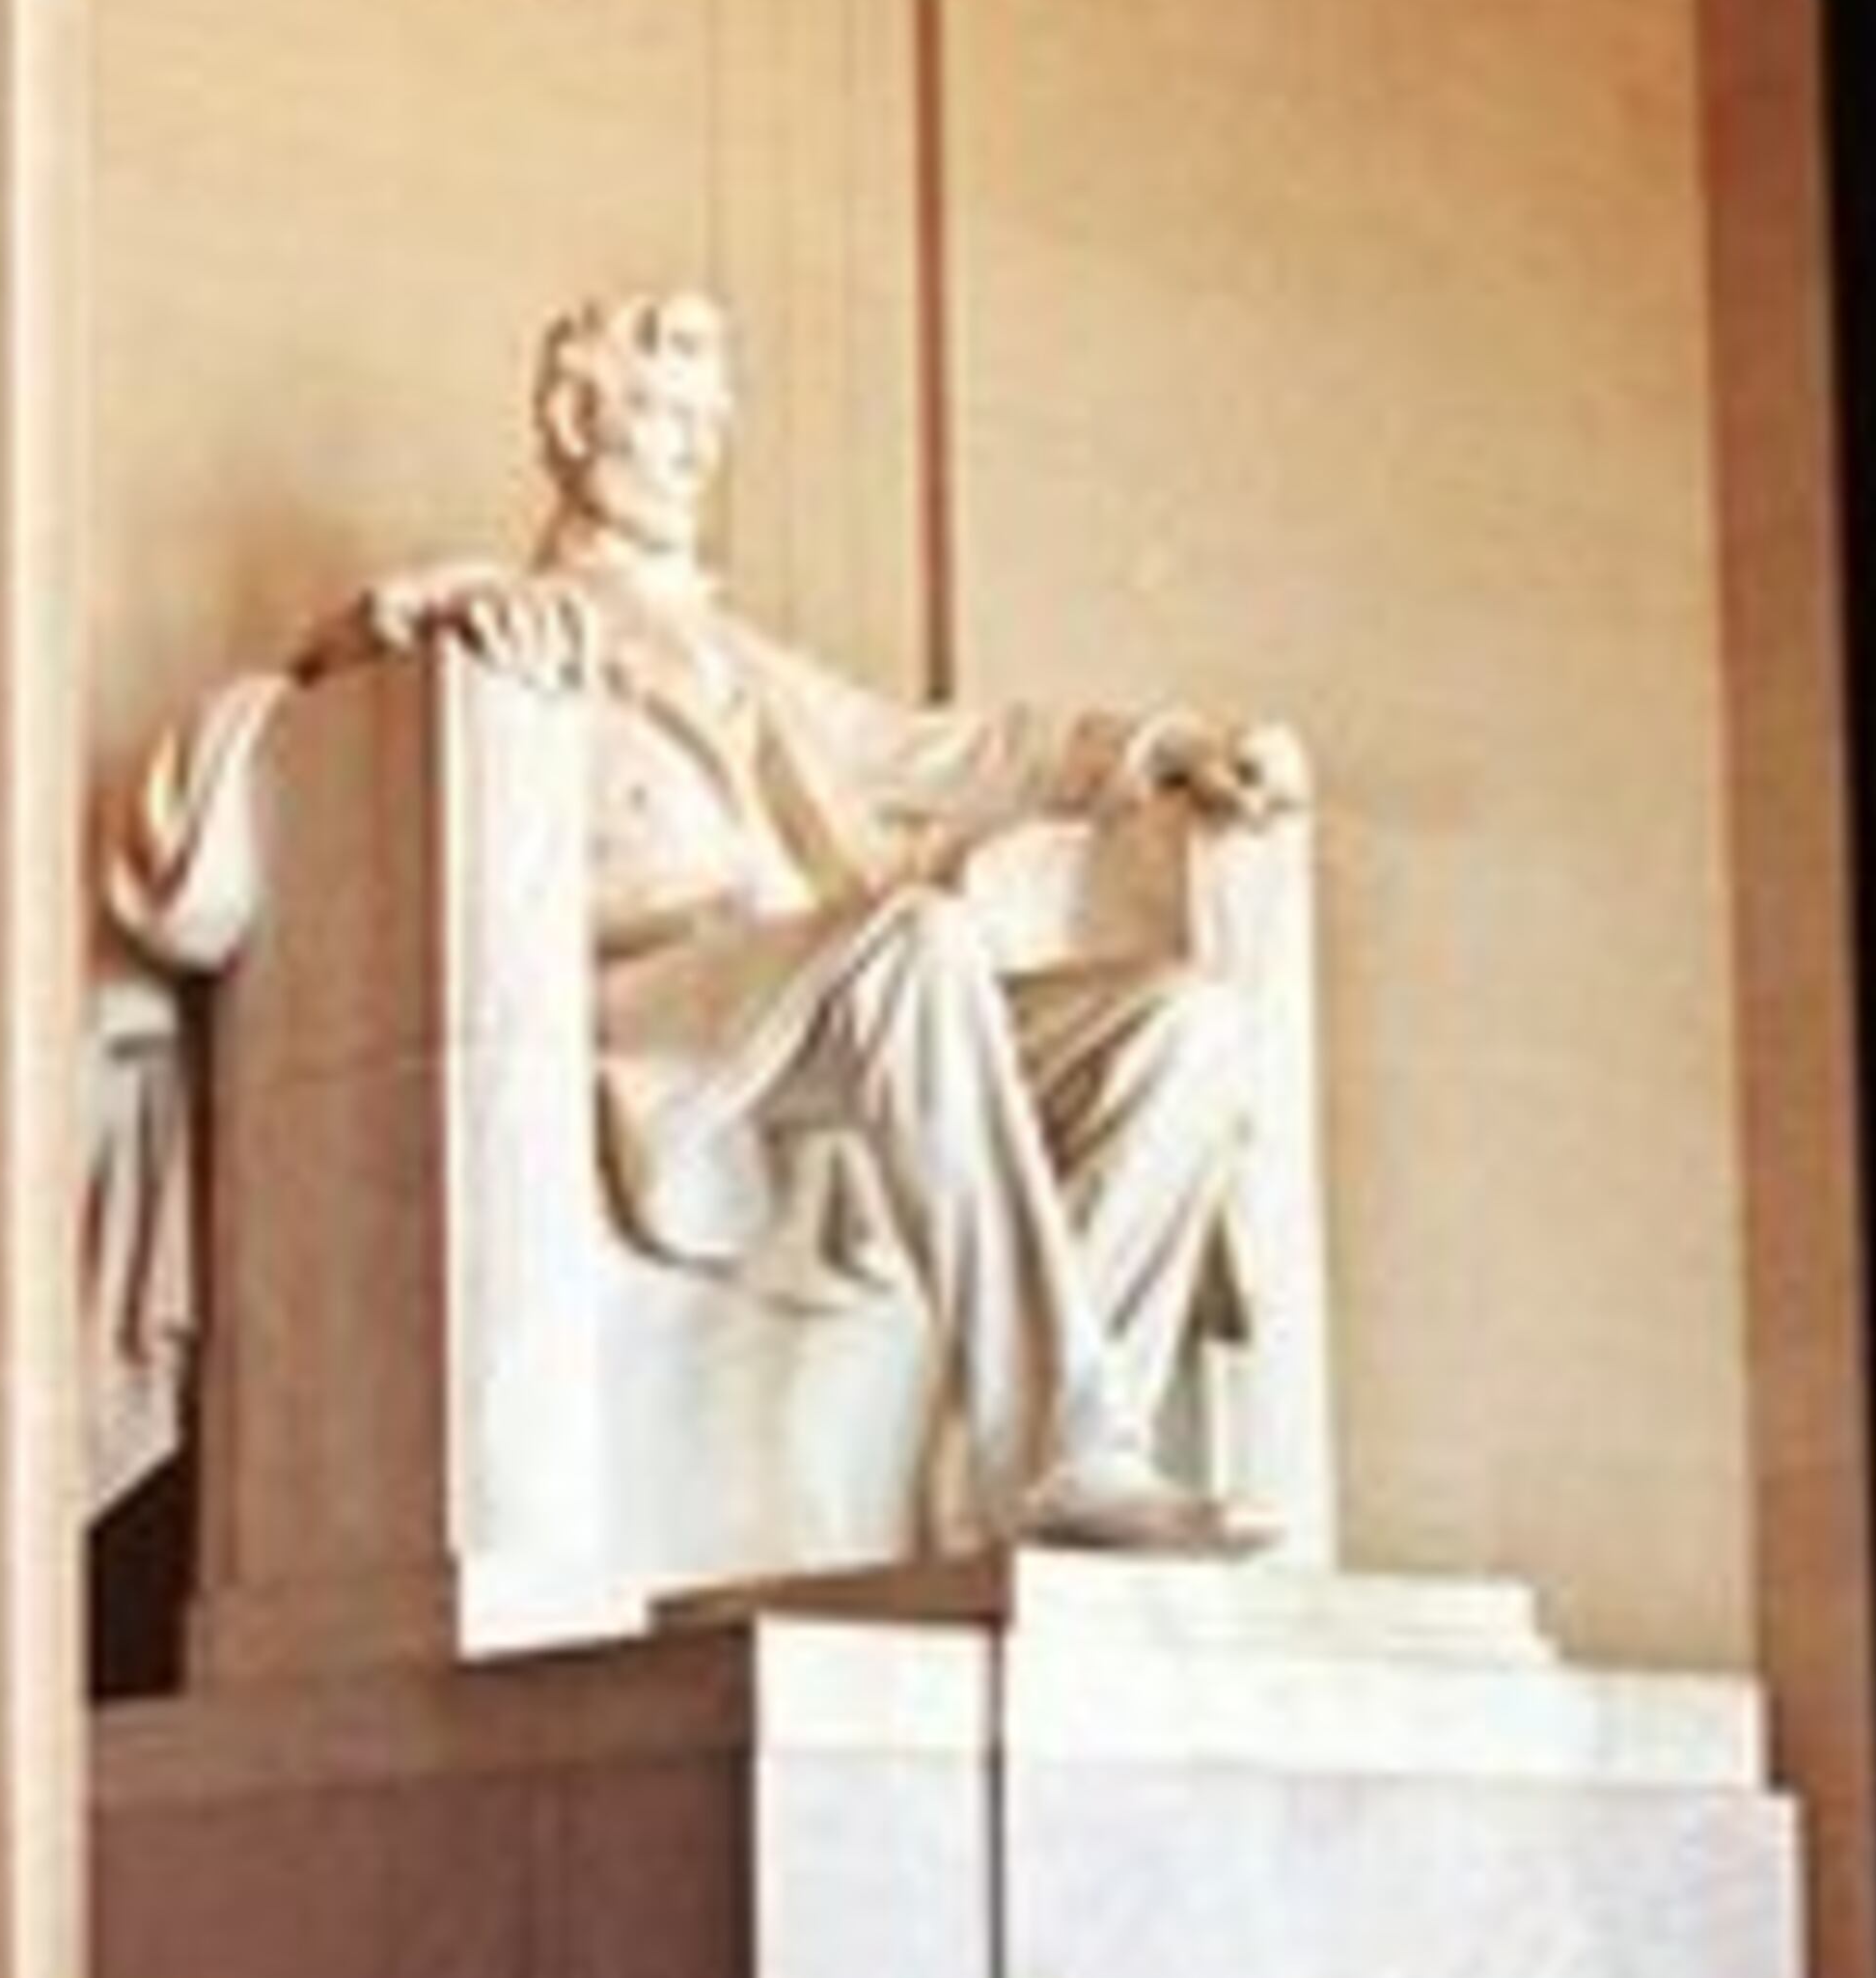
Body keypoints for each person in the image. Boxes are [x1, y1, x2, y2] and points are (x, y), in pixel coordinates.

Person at [88, 283, 1310, 1552]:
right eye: (665, 416)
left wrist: (1163, 753)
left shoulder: (738, 653)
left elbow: (950, 751)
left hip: (814, 995)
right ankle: (1061, 1449)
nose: (695, 451)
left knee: (1190, 1027)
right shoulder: (489, 608)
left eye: (707, 425)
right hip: (647, 1006)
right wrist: (414, 621)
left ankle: (1034, 1460)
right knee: (914, 940)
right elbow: (317, 707)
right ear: (571, 417)